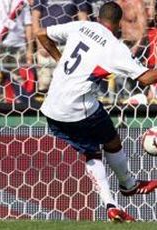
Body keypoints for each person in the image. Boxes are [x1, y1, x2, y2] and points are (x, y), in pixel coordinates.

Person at [37, 2, 157, 222]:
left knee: (102, 145)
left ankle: (113, 204)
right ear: (118, 23)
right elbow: (147, 78)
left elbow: (41, 33)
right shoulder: (114, 47)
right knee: (104, 145)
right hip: (78, 109)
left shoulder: (81, 26)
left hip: (51, 107)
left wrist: (59, 59)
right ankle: (128, 186)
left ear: (98, 17)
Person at [0, 0, 34, 102]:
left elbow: (28, 25)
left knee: (19, 80)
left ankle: (22, 108)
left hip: (18, 47)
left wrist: (29, 50)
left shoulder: (23, 2)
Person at [32, 0, 90, 93]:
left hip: (69, 46)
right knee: (45, 82)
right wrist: (40, 43)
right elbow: (35, 19)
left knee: (68, 81)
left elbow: (83, 20)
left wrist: (81, 42)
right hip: (47, 44)